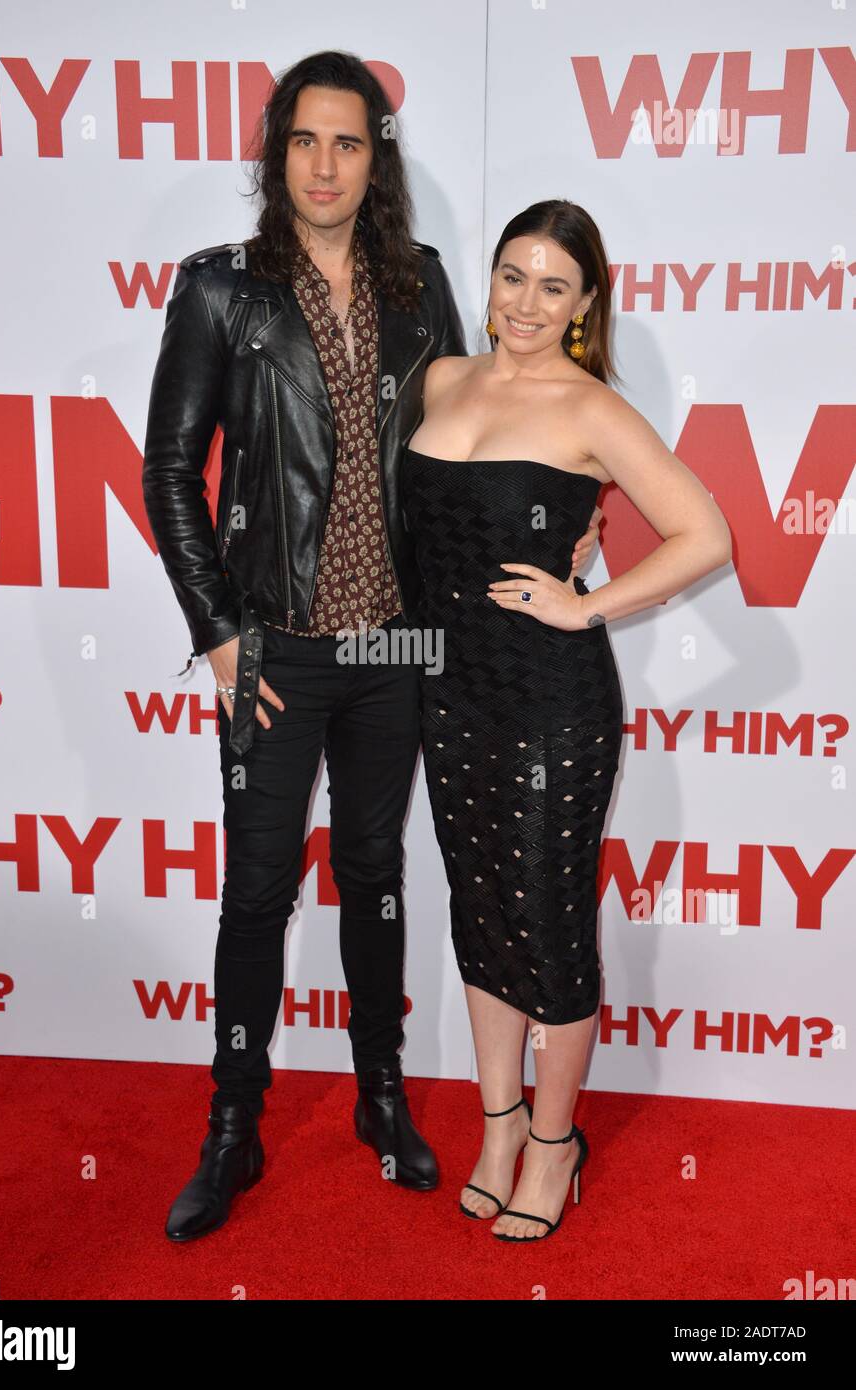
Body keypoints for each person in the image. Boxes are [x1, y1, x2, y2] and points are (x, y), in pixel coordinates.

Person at [141, 58, 601, 1242]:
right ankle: (232, 1127)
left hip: (400, 645)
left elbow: (477, 423)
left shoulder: (422, 285)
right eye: (304, 142)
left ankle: (382, 1098)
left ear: (375, 157)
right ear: (276, 153)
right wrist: (220, 633)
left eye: (348, 144)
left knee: (379, 878)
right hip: (277, 649)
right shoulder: (220, 291)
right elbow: (168, 470)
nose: (326, 165)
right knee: (255, 890)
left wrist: (566, 506)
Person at [403, 199, 733, 1242]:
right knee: (478, 912)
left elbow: (703, 533)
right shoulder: (443, 378)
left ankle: (554, 1143)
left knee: (545, 926)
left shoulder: (590, 409)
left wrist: (583, 600)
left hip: (550, 703)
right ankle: (496, 1126)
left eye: (553, 286)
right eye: (511, 276)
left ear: (586, 302)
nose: (526, 303)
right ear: (487, 280)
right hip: (445, 693)